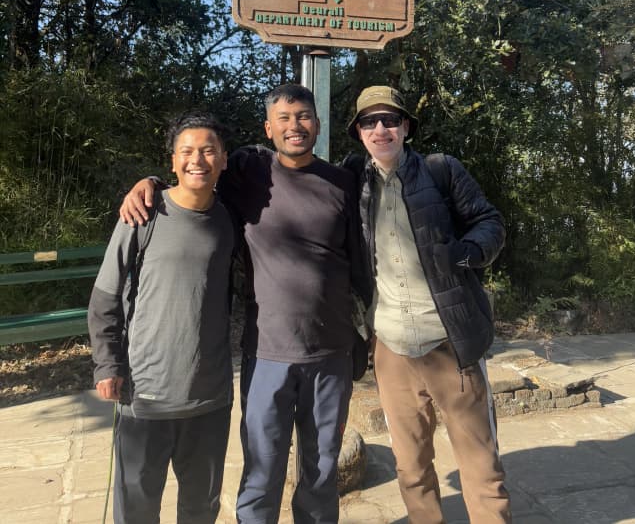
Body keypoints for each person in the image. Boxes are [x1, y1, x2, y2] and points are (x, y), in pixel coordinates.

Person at [119, 84, 371, 524]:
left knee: (322, 468)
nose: (296, 126)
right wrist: (151, 184)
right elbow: (196, 176)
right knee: (262, 469)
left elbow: (360, 265)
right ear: (268, 127)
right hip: (268, 353)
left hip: (331, 353)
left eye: (304, 116)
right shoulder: (247, 173)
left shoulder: (343, 182)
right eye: (285, 118)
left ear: (318, 121)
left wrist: (367, 333)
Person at [344, 84, 512, 524]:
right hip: (392, 348)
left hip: (449, 340)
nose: (380, 129)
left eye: (390, 120)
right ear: (359, 132)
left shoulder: (442, 171)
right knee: (411, 468)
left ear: (406, 128)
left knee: (482, 467)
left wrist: (471, 252)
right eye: (369, 121)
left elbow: (489, 220)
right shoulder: (352, 183)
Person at [88, 110, 236, 524]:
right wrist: (107, 363)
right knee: (136, 508)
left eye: (209, 151)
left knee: (201, 508)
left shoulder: (228, 220)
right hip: (145, 393)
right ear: (171, 161)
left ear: (224, 159)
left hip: (210, 396)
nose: (197, 160)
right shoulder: (143, 214)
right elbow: (105, 296)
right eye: (186, 151)